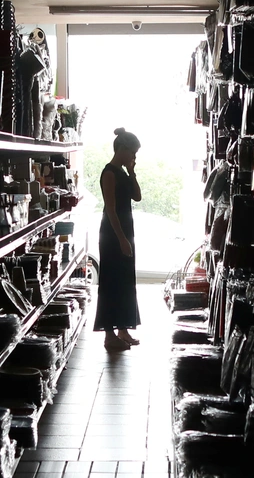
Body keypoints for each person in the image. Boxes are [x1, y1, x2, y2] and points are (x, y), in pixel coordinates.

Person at [93, 127, 143, 351]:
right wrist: (122, 239)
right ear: (121, 149)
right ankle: (109, 334)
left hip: (125, 231)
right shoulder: (109, 173)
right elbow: (110, 210)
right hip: (113, 233)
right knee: (111, 282)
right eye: (132, 153)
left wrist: (132, 172)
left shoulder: (122, 172)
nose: (134, 157)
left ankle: (123, 328)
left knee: (125, 281)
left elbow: (137, 196)